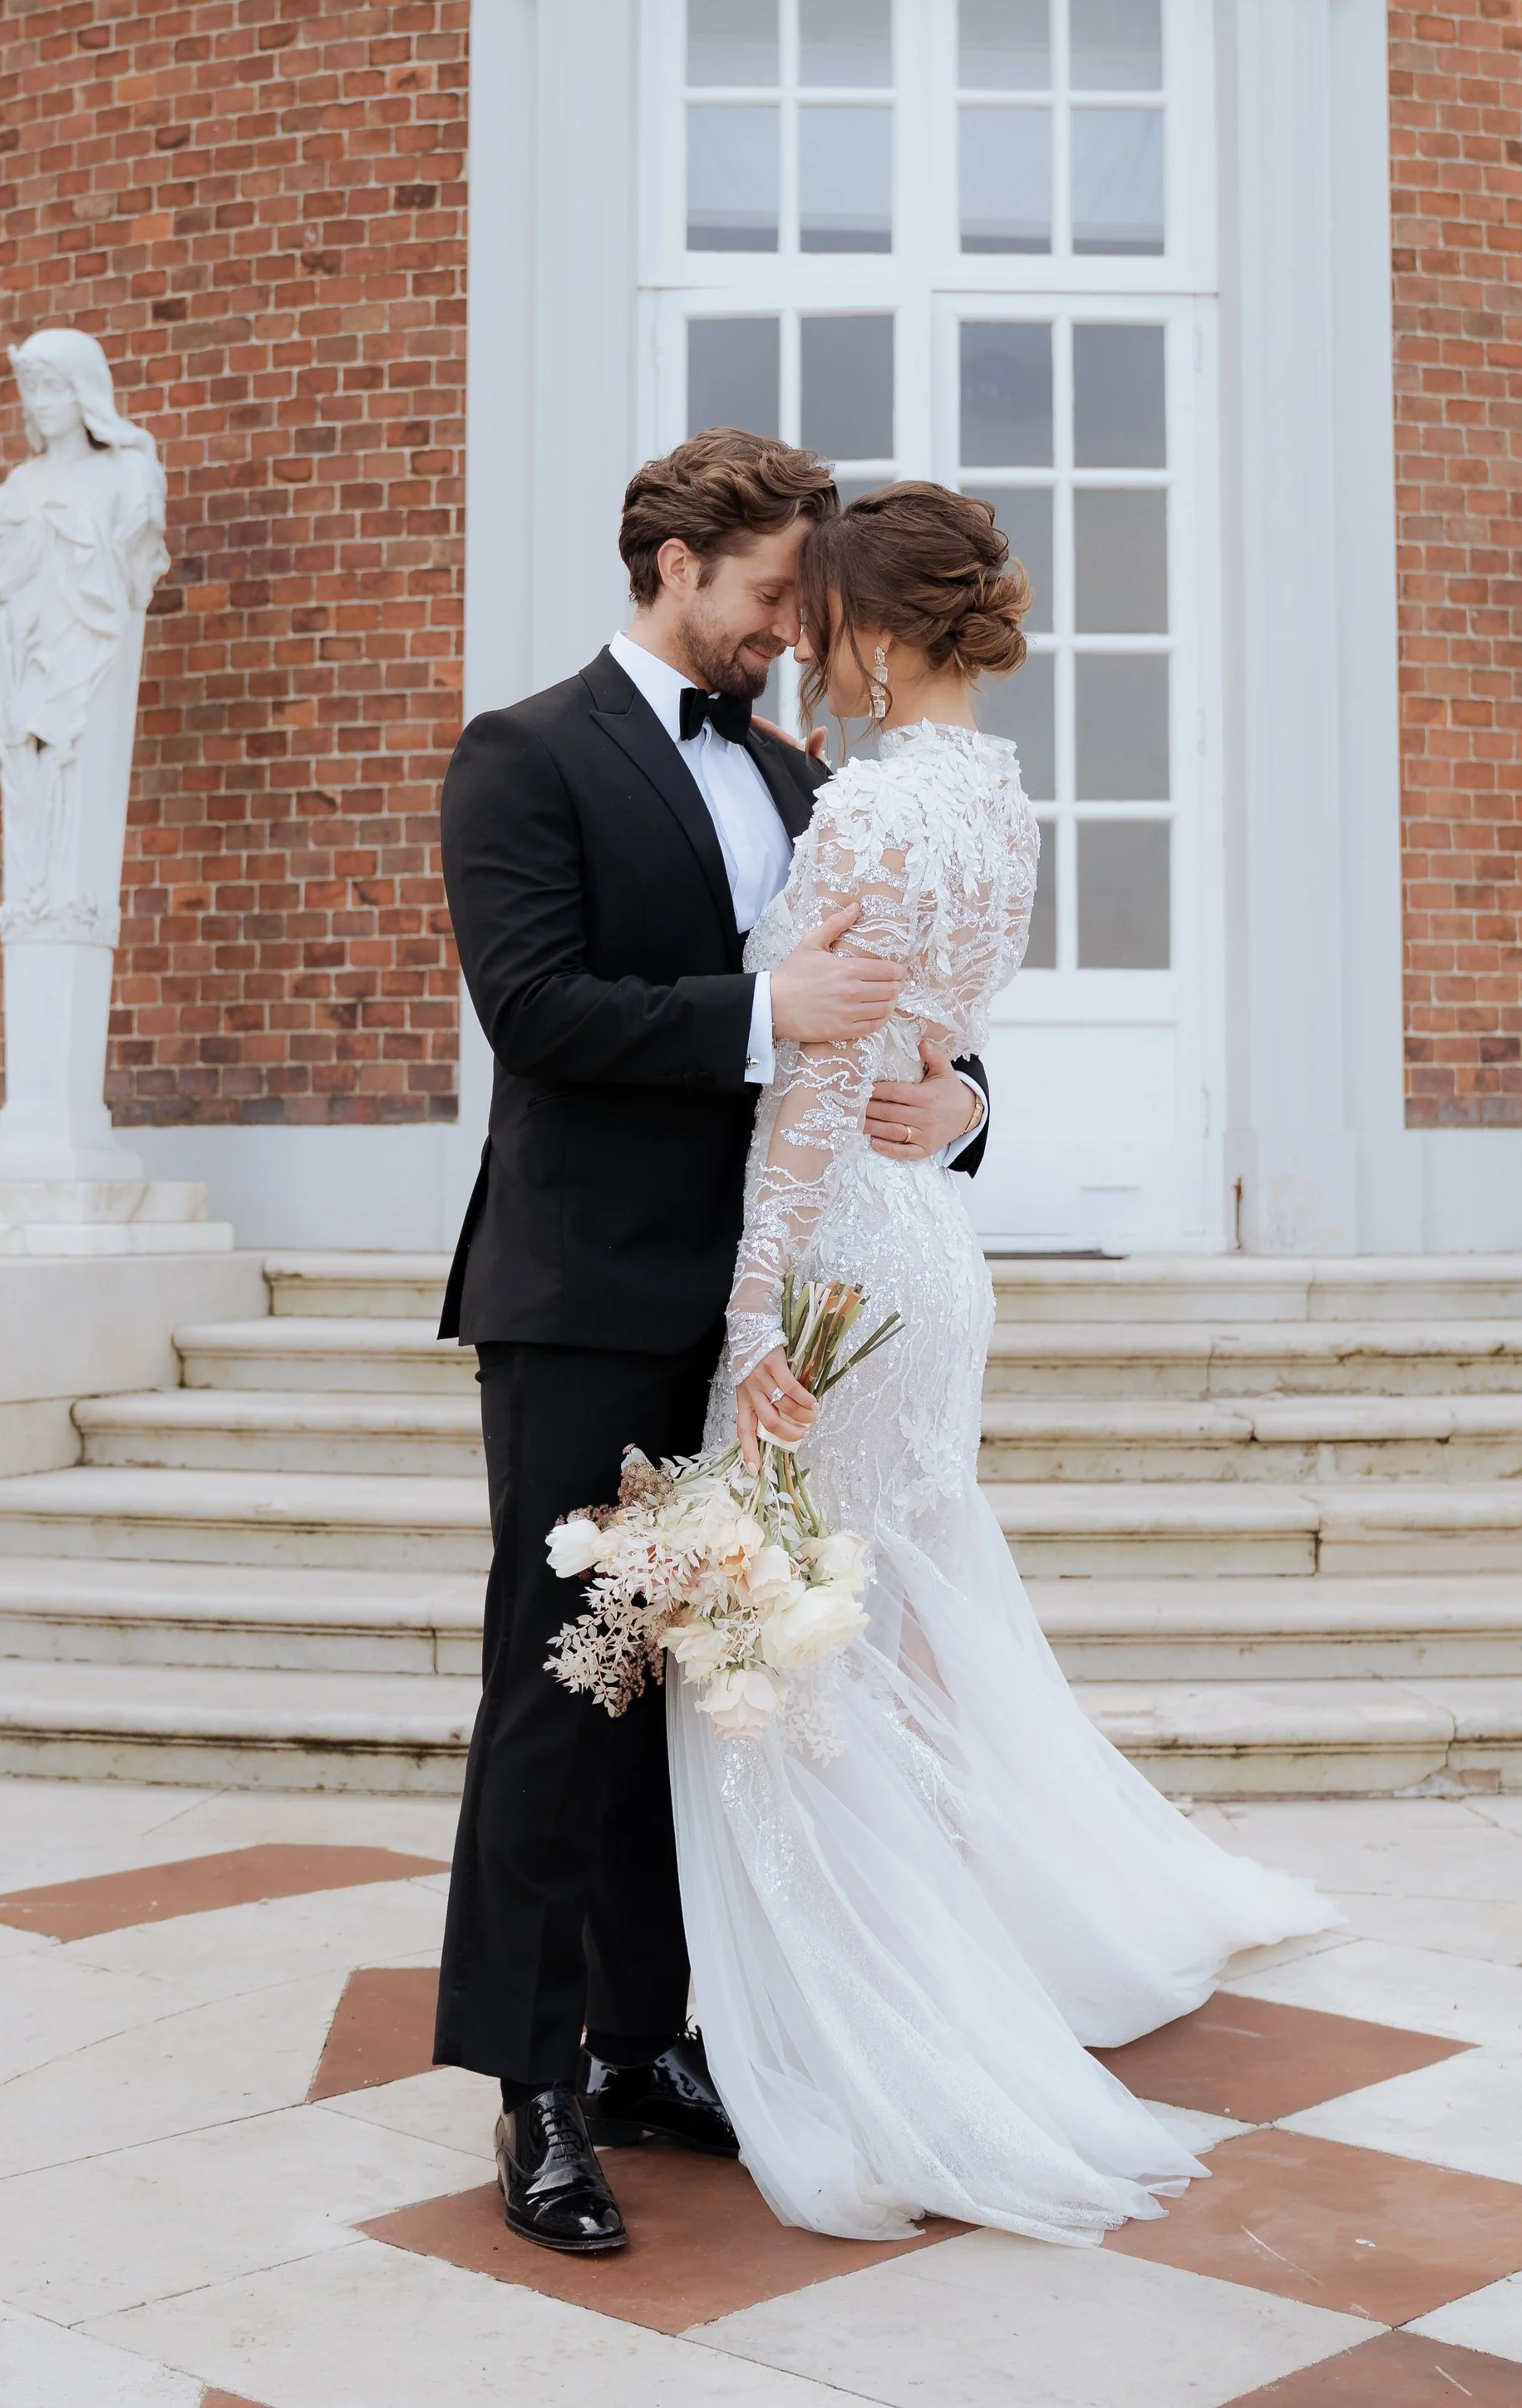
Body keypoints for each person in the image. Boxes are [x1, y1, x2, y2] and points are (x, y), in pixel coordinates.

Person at [668, 481, 1338, 2245]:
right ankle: (937, 1975)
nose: (804, 642)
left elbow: (814, 1087)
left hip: (837, 1259)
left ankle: (882, 2038)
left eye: (819, 616)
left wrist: (752, 1324)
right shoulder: (1000, 803)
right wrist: (954, 1100)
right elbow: (940, 1047)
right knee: (890, 1633)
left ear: (875, 635)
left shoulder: (867, 811)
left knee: (802, 1666)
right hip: (932, 1253)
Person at [433, 432, 993, 2256]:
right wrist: (759, 1011)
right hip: (587, 1295)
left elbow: (885, 1010)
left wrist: (963, 1092)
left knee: (710, 1677)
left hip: (773, 1317)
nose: (782, 630)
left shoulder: (798, 770)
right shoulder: (521, 755)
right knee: (566, 1676)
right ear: (673, 565)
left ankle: (639, 2040)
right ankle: (530, 2096)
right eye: (762, 594)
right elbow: (534, 1007)